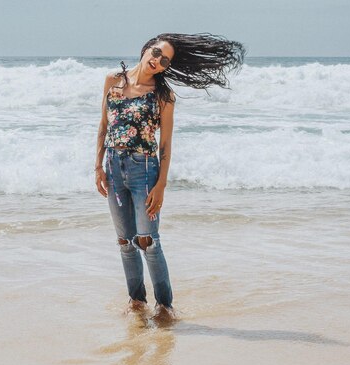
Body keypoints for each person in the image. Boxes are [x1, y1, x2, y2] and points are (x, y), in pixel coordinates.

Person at [94, 32, 245, 320]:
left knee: (148, 240)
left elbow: (165, 144)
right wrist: (98, 166)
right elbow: (103, 125)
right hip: (113, 166)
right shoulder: (112, 80)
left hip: (145, 169)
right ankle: (137, 301)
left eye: (164, 60)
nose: (157, 61)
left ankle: (164, 306)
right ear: (145, 49)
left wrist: (161, 184)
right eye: (155, 53)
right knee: (125, 241)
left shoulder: (163, 95)